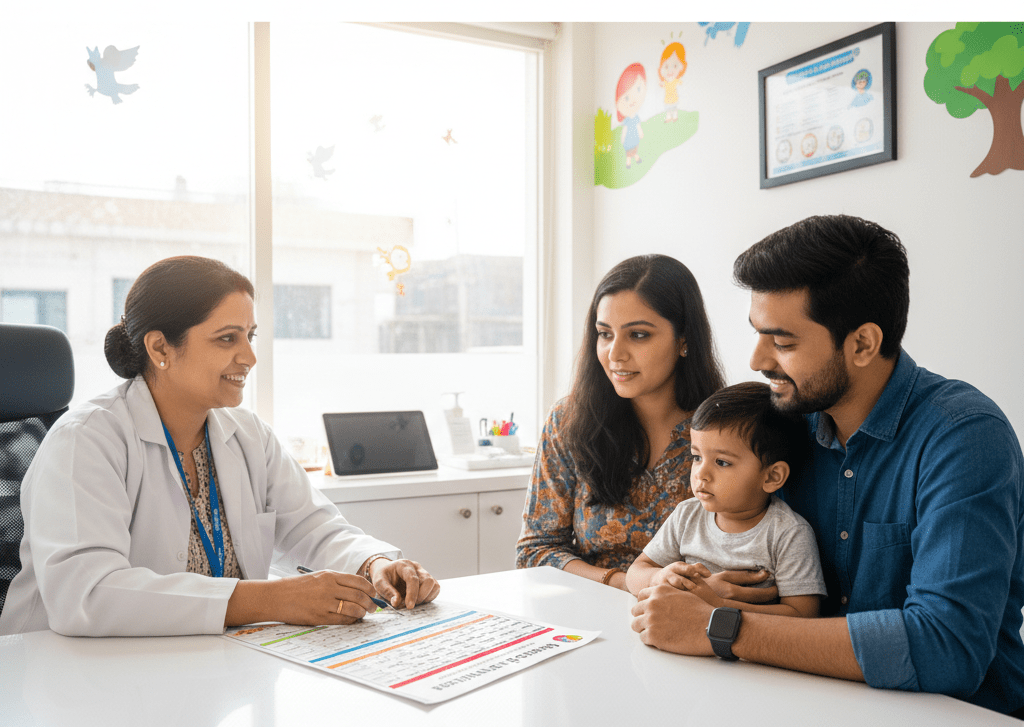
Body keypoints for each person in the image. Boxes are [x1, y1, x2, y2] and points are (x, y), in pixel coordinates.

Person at [629, 215, 1024, 717]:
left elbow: (947, 647)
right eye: (757, 334)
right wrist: (685, 589)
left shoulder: (964, 437)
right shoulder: (783, 424)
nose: (756, 359)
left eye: (784, 342)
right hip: (807, 702)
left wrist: (721, 627)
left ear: (862, 344)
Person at [0, 256, 440, 637]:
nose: (248, 357)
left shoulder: (248, 435)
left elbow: (314, 528)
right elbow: (87, 595)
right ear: (160, 347)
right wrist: (273, 599)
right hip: (62, 674)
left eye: (250, 335)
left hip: (201, 661)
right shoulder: (87, 440)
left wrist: (374, 563)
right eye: (227, 338)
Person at [518, 253, 768, 596]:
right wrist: (628, 583)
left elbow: (766, 544)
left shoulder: (736, 428)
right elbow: (535, 552)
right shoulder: (568, 421)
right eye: (605, 334)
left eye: (638, 335)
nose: (614, 353)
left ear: (684, 340)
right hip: (587, 615)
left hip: (697, 622)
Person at [626, 381, 826, 619]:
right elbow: (635, 572)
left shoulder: (788, 533)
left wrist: (717, 605)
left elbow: (804, 614)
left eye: (722, 462)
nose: (701, 473)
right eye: (697, 457)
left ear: (772, 476)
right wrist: (657, 577)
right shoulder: (687, 515)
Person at [658, 42, 686, 123]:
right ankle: (669, 118)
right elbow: (662, 85)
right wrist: (660, 83)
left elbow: (680, 82)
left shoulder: (675, 80)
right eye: (666, 67)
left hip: (674, 98)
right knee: (668, 109)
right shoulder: (666, 82)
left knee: (674, 109)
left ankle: (675, 117)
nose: (670, 71)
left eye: (675, 66)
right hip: (667, 99)